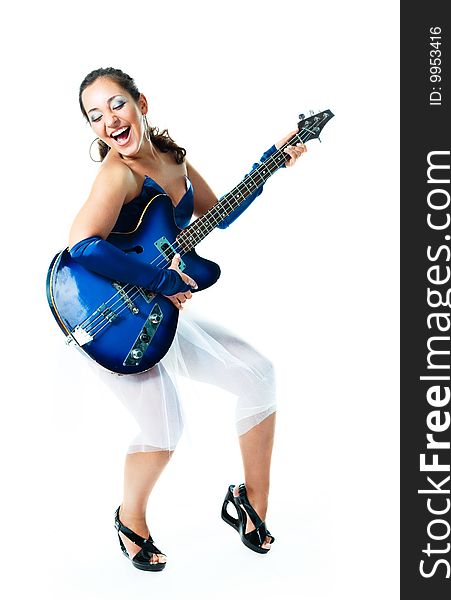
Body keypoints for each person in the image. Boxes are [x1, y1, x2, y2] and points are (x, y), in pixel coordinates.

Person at [69, 67, 307, 571]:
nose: (108, 120)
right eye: (94, 115)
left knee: (258, 375)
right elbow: (83, 245)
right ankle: (129, 520)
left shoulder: (172, 159)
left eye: (116, 105)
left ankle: (251, 504)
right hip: (112, 319)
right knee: (165, 426)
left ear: (141, 103)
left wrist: (273, 162)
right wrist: (162, 282)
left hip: (152, 311)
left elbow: (217, 212)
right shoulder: (119, 173)